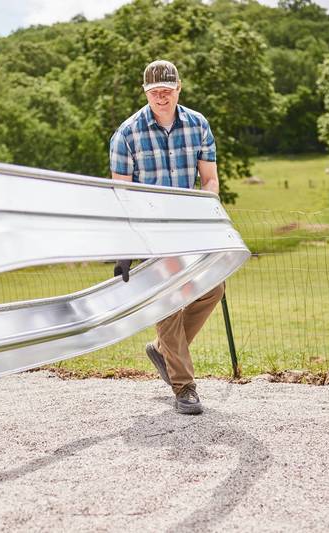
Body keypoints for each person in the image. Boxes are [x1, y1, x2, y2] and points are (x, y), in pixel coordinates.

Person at [109, 59, 224, 415]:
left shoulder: (199, 125)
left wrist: (211, 219)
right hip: (150, 234)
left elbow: (208, 180)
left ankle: (163, 350)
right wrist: (124, 246)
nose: (161, 96)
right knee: (168, 303)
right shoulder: (126, 134)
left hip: (190, 228)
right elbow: (121, 194)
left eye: (167, 90)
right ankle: (184, 387)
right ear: (145, 93)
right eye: (154, 92)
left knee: (212, 289)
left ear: (179, 89)